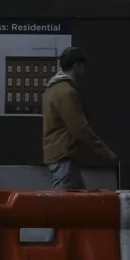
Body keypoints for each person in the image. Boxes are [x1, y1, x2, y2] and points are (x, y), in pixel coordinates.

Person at [40, 46, 116, 190]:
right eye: (83, 65)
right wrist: (104, 151)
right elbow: (79, 127)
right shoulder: (66, 91)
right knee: (65, 201)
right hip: (64, 156)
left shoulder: (53, 88)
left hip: (61, 155)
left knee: (76, 200)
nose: (85, 69)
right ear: (76, 65)